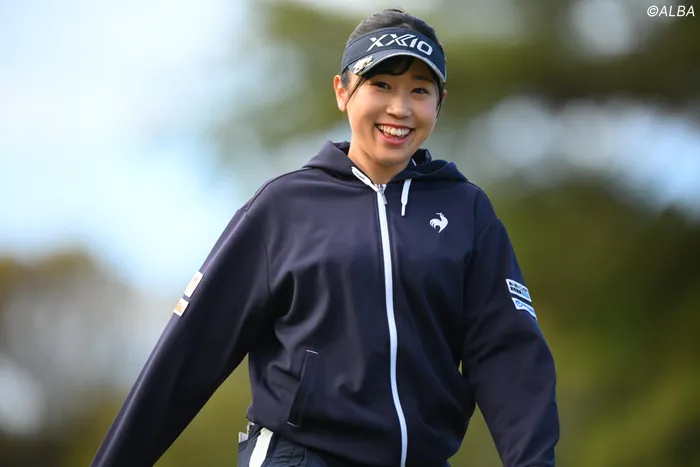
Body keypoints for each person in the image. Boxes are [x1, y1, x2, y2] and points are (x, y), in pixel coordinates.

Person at [91, 8, 559, 467]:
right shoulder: (284, 207)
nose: (400, 108)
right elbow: (192, 348)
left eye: (420, 90)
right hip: (299, 456)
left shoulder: (467, 211)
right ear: (343, 91)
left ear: (439, 103)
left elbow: (508, 353)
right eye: (381, 85)